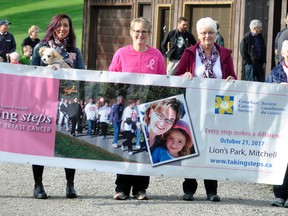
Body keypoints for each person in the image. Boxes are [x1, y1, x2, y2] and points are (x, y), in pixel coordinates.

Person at [176, 17, 237, 202]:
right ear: (198, 35)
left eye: (211, 32)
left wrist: (231, 80)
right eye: (203, 33)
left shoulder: (225, 54)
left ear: (216, 34)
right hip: (194, 106)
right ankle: (189, 189)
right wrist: (184, 75)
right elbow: (177, 75)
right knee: (191, 145)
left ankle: (212, 190)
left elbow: (232, 76)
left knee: (212, 146)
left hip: (217, 108)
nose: (207, 36)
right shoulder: (189, 53)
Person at [108, 17, 166, 201]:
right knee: (128, 143)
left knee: (144, 146)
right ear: (131, 32)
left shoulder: (156, 55)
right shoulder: (121, 54)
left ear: (149, 34)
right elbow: (111, 78)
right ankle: (122, 187)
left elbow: (163, 82)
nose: (140, 34)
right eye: (137, 31)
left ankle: (141, 188)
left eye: (144, 31)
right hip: (127, 108)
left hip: (148, 108)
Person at [30, 14, 85, 199]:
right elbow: (31, 74)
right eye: (59, 25)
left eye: (66, 26)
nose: (63, 29)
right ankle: (38, 185)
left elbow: (82, 75)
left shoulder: (75, 51)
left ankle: (70, 184)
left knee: (69, 143)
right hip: (43, 102)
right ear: (52, 27)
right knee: (40, 144)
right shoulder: (41, 48)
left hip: (67, 102)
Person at [266, 40, 288, 208]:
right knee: (280, 157)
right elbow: (266, 94)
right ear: (282, 53)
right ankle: (279, 195)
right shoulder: (275, 72)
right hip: (280, 121)